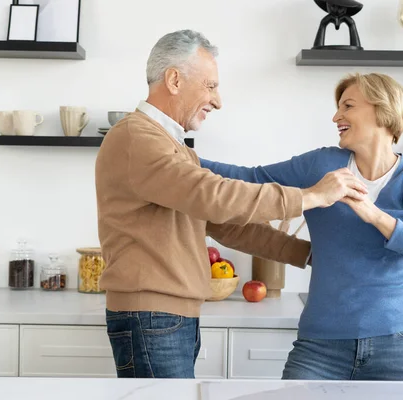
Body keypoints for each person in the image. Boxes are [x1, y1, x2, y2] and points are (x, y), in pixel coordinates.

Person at [94, 30, 368, 379]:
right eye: (210, 85)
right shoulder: (138, 137)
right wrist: (310, 197)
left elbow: (226, 225)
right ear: (175, 79)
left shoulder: (172, 147)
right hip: (151, 315)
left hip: (165, 317)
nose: (218, 100)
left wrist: (311, 255)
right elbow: (215, 197)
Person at [200, 72, 403, 381]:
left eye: (348, 106)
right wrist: (179, 155)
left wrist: (374, 215)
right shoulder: (321, 165)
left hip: (398, 348)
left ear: (382, 110)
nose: (337, 116)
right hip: (320, 348)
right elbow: (249, 178)